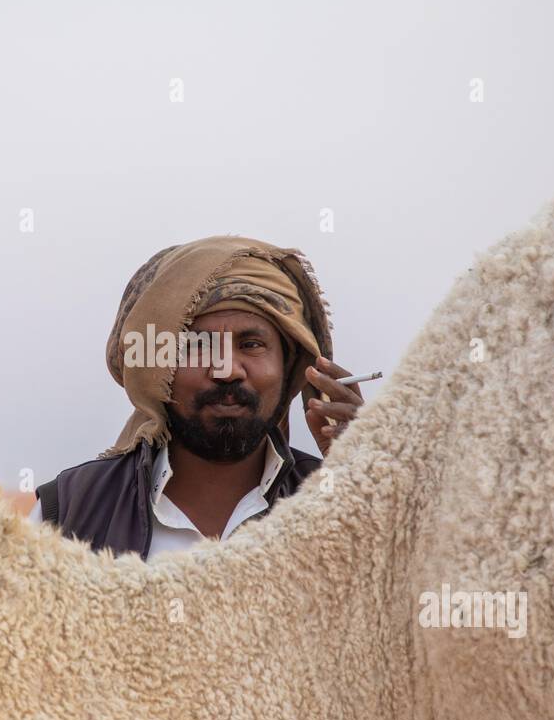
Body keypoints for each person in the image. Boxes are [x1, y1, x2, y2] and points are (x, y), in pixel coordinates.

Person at [30, 236, 365, 558]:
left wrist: (368, 480)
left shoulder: (337, 503)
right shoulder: (67, 514)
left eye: (251, 345)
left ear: (289, 365)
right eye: (198, 346)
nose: (227, 370)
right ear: (156, 367)